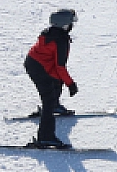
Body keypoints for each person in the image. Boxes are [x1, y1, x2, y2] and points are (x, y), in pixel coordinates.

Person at [25, 8, 79, 149]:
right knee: (47, 101)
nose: (72, 26)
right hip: (37, 68)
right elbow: (60, 66)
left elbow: (56, 66)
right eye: (71, 23)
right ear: (64, 25)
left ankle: (55, 104)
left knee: (56, 80)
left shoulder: (52, 33)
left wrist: (64, 81)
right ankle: (45, 137)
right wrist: (71, 84)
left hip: (39, 63)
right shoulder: (60, 40)